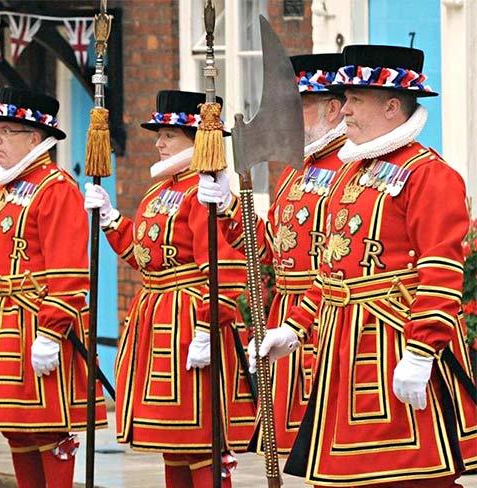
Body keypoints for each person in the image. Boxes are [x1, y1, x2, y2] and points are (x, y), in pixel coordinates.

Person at [256, 44, 477, 486]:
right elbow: (332, 270)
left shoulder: (429, 174)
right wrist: (295, 327)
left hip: (396, 344)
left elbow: (441, 271)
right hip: (343, 346)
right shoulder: (349, 174)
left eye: (356, 100)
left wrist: (421, 350)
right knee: (341, 477)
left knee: (413, 476)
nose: (346, 111)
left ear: (392, 105)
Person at [84, 90, 254, 487]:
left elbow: (223, 266)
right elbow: (146, 257)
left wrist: (207, 326)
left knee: (201, 441)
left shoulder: (204, 190)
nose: (158, 143)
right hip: (157, 318)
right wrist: (112, 221)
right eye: (158, 134)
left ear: (195, 139)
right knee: (172, 440)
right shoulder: (159, 192)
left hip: (189, 322)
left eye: (168, 136)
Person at [0, 87, 106, 488]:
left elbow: (68, 270)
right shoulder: (5, 190)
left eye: (4, 131)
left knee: (48, 431)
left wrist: (51, 332)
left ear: (34, 137)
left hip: (34, 328)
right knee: (17, 432)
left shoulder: (56, 188)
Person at [201, 53, 348, 454]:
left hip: (325, 319)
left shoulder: (348, 169)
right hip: (285, 315)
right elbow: (268, 247)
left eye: (296, 106)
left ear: (332, 109)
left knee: (332, 450)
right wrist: (231, 206)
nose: (285, 116)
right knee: (292, 454)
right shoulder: (296, 171)